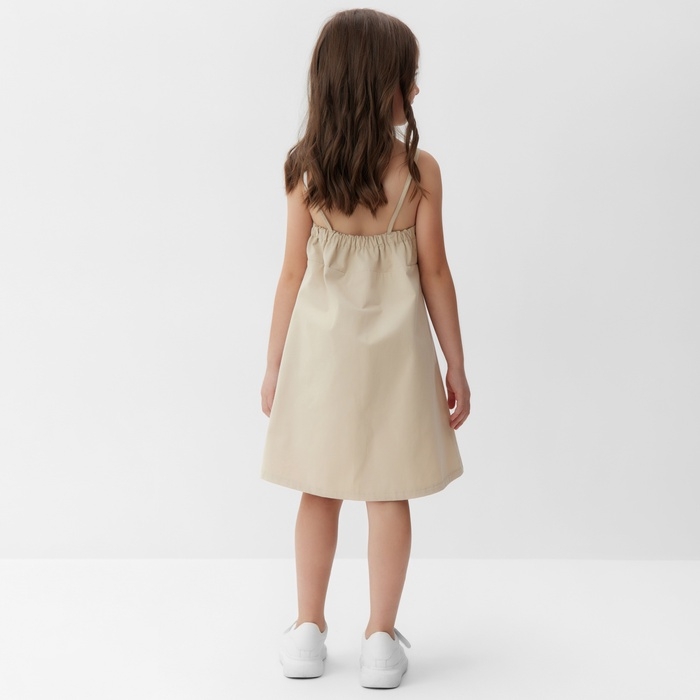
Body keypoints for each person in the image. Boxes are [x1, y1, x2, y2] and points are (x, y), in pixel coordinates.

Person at [259, 8, 471, 689]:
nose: (417, 90)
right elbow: (436, 272)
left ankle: (307, 630)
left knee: (318, 492)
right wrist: (455, 362)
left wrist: (273, 366)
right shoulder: (419, 172)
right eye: (409, 78)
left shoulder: (305, 171)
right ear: (380, 86)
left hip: (320, 361)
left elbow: (291, 274)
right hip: (396, 365)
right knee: (388, 494)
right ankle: (380, 639)